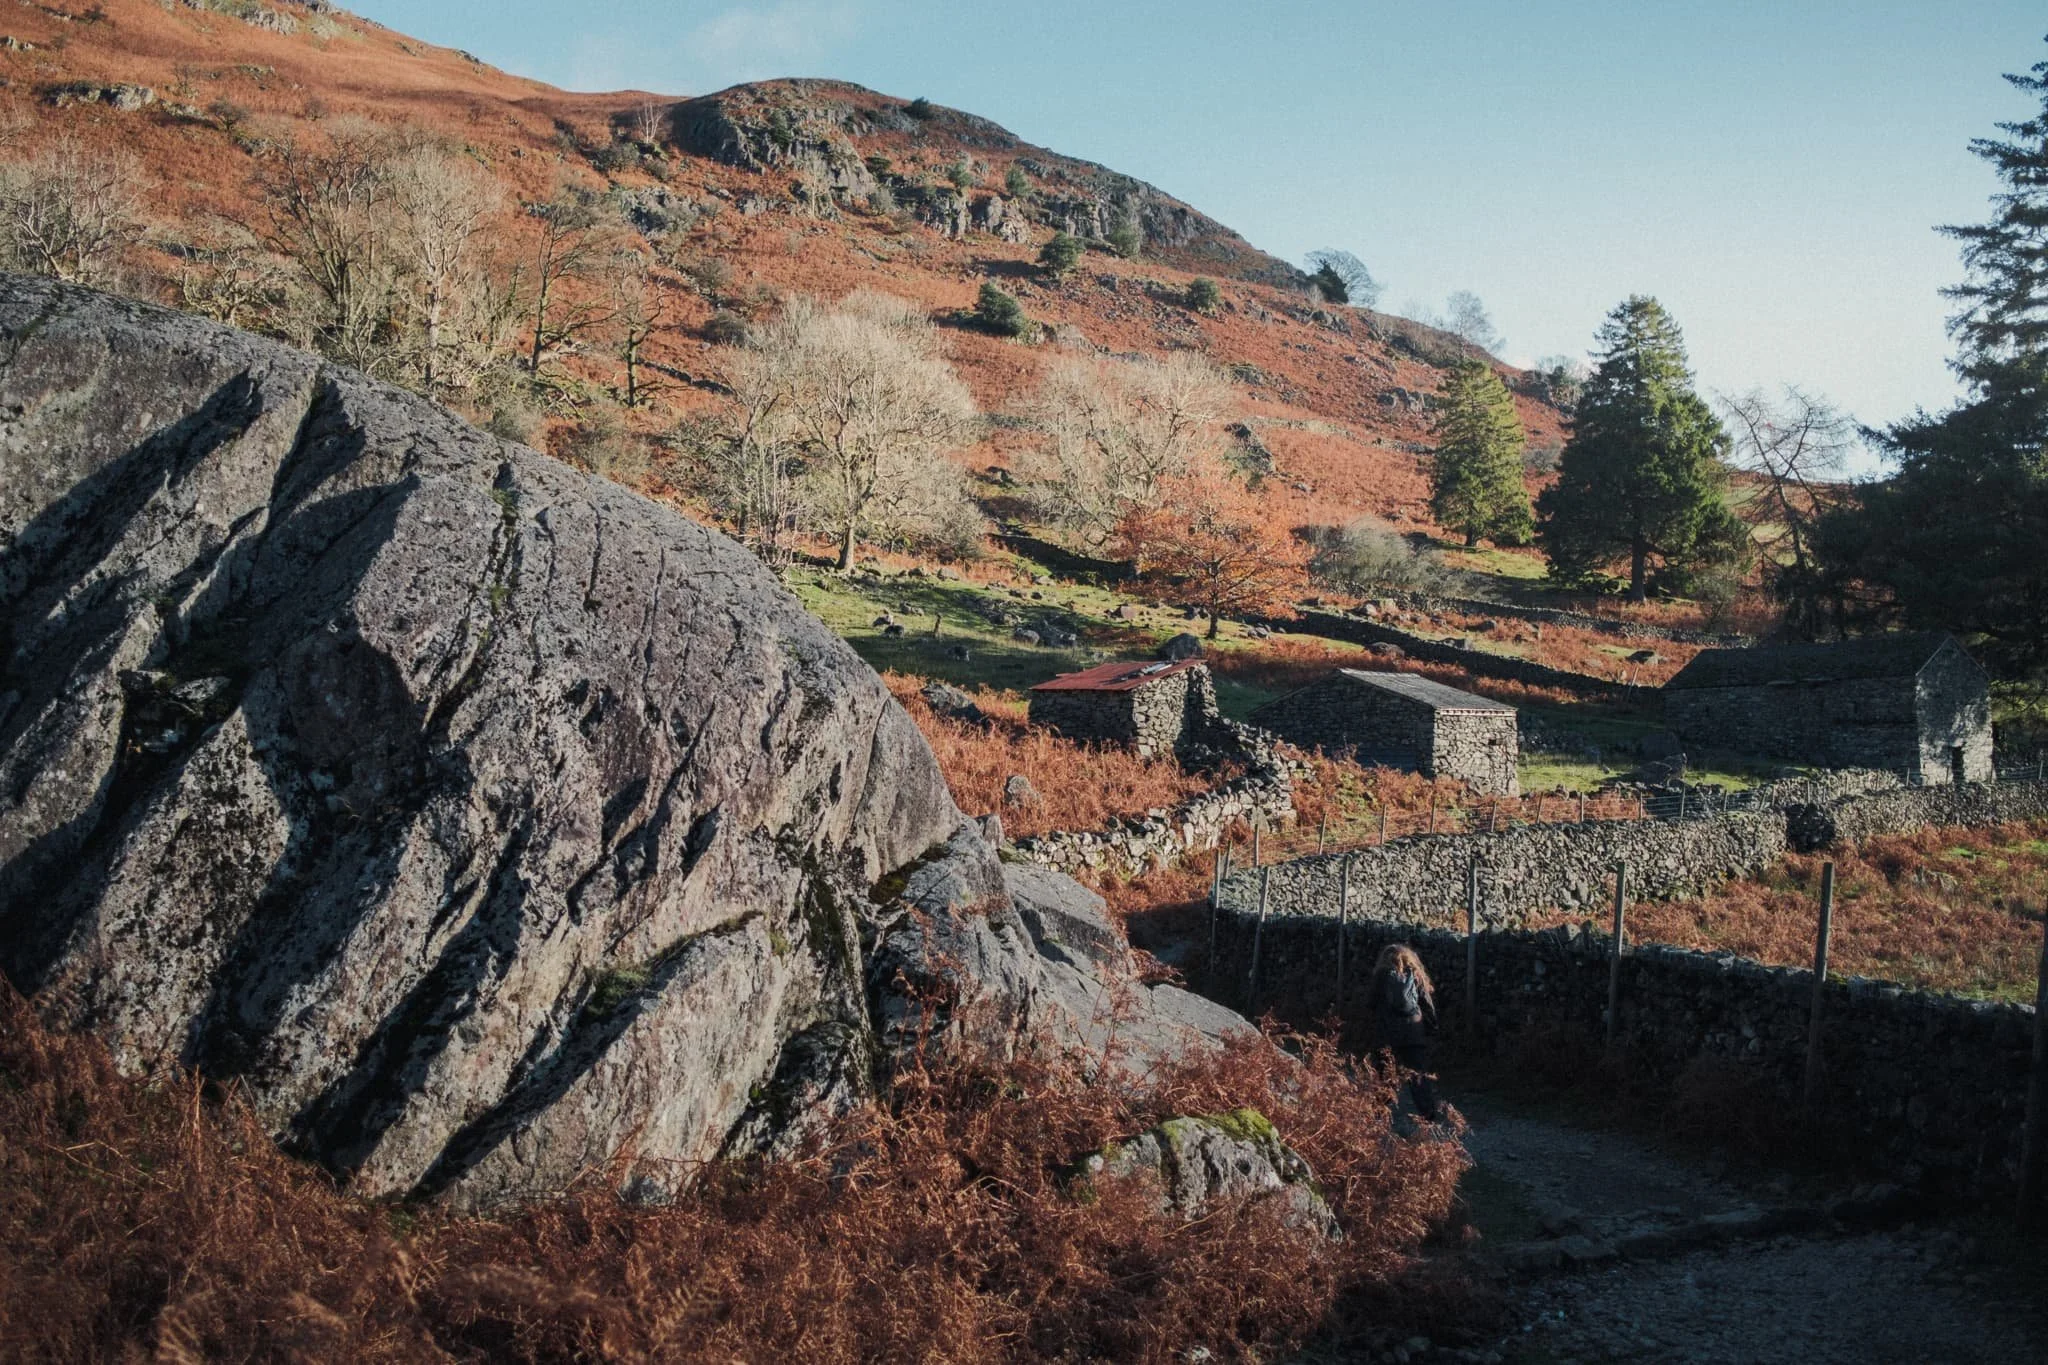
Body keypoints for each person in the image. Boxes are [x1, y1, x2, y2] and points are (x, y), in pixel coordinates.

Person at [1370, 944, 1440, 1120]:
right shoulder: (1416, 975)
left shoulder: (1381, 976)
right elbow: (1427, 1005)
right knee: (1417, 1076)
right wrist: (1431, 1028)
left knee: (1385, 1075)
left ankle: (1379, 1114)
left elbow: (1370, 1003)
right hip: (1413, 1033)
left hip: (1386, 1034)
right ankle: (1428, 1115)